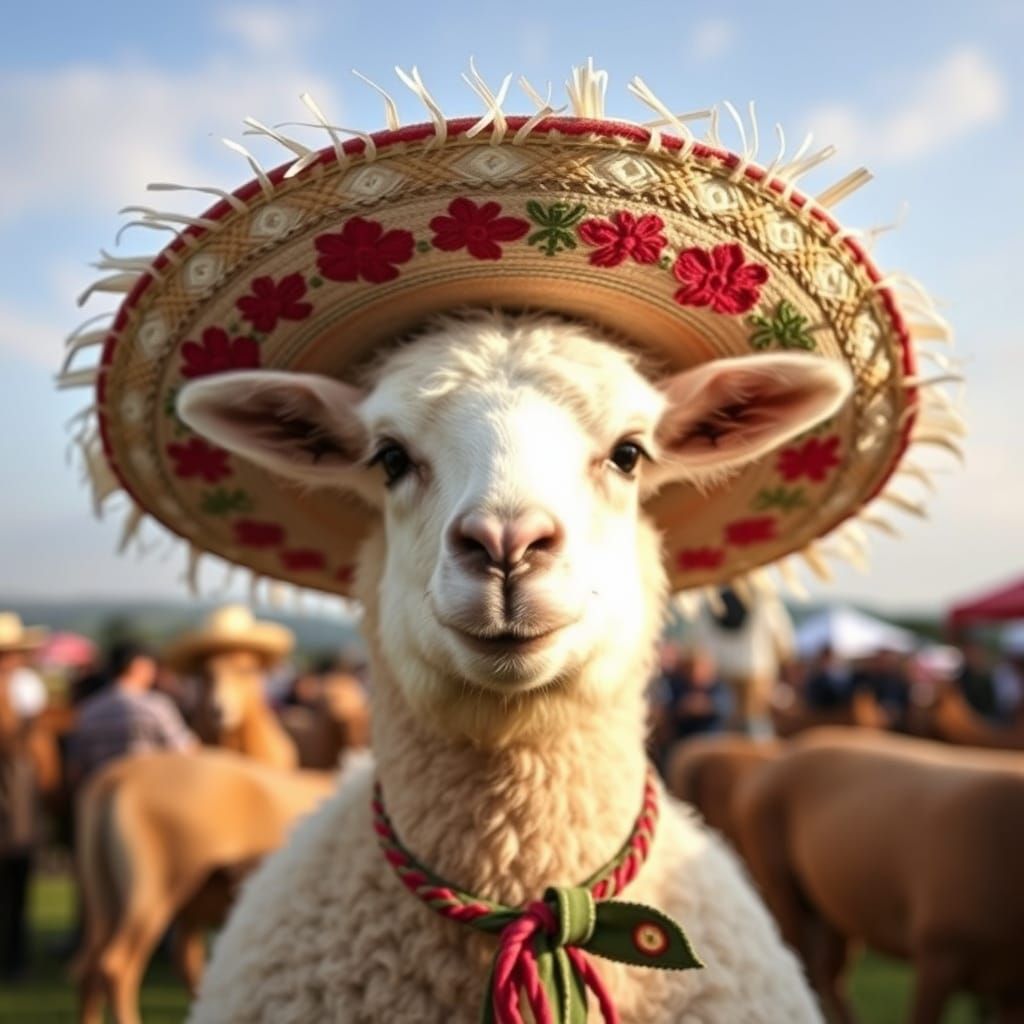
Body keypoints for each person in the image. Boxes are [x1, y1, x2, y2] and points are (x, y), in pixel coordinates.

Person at [66, 641, 197, 787]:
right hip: (146, 791)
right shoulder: (156, 706)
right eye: (150, 666)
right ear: (138, 666)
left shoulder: (88, 710)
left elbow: (76, 768)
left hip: (101, 791)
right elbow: (184, 752)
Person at [0, 613, 48, 980]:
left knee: (18, 877)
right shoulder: (26, 689)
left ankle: (16, 952)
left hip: (19, 795)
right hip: (16, 792)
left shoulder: (27, 688)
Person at [692, 588, 794, 737]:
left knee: (725, 724)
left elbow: (696, 638)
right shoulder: (764, 598)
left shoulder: (710, 596)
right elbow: (783, 639)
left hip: (720, 671)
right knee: (758, 723)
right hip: (757, 673)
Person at [650, 642, 730, 769]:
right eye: (691, 668)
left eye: (700, 668)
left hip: (710, 743)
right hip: (681, 744)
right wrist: (682, 708)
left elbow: (724, 707)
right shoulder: (677, 685)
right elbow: (668, 708)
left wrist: (705, 705)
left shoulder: (717, 687)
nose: (696, 672)